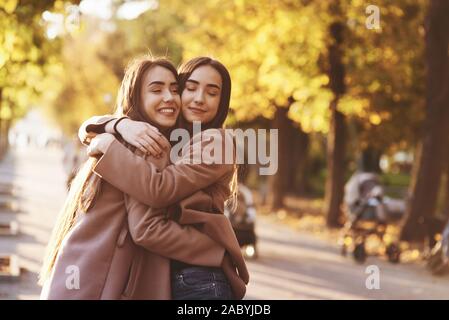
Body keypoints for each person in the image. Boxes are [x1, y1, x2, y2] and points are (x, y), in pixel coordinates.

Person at [40, 56, 244, 299]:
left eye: (212, 92)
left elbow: (159, 190)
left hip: (197, 279)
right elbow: (149, 223)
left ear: (222, 102)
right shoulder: (150, 141)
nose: (198, 98)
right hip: (91, 274)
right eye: (189, 88)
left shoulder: (207, 142)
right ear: (137, 96)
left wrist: (107, 139)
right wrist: (115, 127)